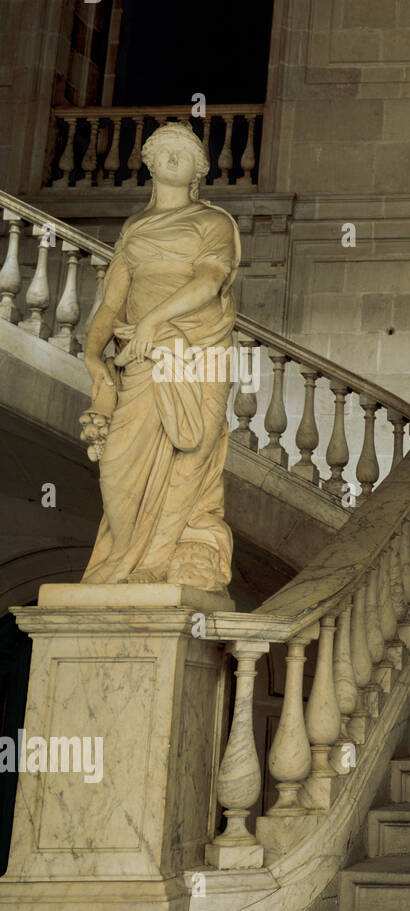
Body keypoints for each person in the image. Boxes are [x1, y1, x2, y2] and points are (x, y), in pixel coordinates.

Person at [77, 122, 240, 592]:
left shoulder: (212, 222)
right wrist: (92, 356)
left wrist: (152, 322)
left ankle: (158, 560)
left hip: (200, 350)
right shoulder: (135, 229)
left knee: (190, 454)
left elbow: (209, 282)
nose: (171, 157)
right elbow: (110, 305)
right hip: (140, 359)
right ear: (149, 164)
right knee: (118, 464)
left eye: (181, 153)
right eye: (162, 151)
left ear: (197, 171)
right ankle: (124, 558)